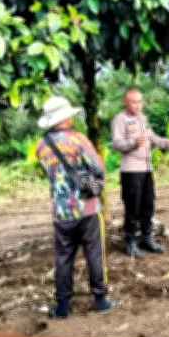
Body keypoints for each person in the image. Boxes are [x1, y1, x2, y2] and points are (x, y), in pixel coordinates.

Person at [35, 96, 117, 318]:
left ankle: (63, 305)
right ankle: (100, 299)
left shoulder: (41, 145)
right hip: (87, 207)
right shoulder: (78, 139)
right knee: (94, 254)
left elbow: (49, 175)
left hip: (61, 211)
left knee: (63, 258)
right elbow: (99, 168)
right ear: (66, 117)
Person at [111, 87, 169, 258]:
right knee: (133, 207)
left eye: (140, 101)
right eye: (134, 102)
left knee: (148, 205)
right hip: (131, 172)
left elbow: (154, 139)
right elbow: (117, 144)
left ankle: (146, 238)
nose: (138, 105)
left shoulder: (142, 119)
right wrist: (133, 142)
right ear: (126, 102)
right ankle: (130, 242)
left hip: (147, 170)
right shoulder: (120, 119)